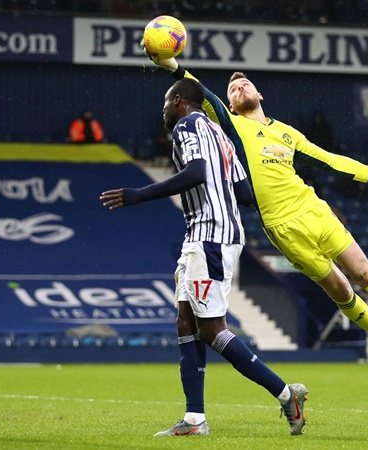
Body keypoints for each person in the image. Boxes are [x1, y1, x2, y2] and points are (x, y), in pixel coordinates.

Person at [142, 50, 368, 367]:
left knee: (366, 272)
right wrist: (174, 67)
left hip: (313, 210)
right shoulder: (232, 126)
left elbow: (330, 160)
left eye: (245, 84)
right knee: (340, 289)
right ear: (229, 105)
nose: (239, 88)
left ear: (260, 94)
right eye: (233, 89)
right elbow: (202, 95)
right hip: (281, 227)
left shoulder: (287, 132)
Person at [99, 78, 308, 437]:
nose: (163, 110)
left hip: (210, 235)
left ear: (179, 101)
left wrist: (138, 195)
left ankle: (286, 394)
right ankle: (195, 420)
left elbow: (196, 171)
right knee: (185, 322)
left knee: (212, 329)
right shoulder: (221, 135)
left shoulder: (187, 124)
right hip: (210, 233)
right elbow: (244, 192)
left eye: (166, 103)